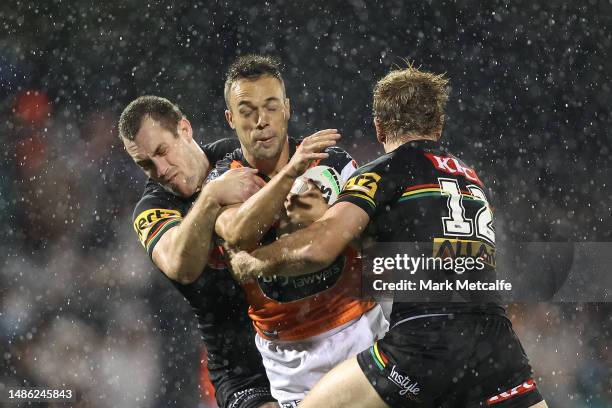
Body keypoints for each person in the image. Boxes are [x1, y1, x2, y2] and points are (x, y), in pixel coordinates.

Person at [230, 65, 548, 408]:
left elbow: (319, 248)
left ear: (379, 127)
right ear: (437, 126)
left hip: (425, 339)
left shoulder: (383, 170)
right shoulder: (470, 178)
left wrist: (253, 261)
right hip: (496, 343)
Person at [210, 55, 388, 407]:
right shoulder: (222, 178)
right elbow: (237, 235)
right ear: (231, 119)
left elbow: (378, 244)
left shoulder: (333, 162)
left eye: (271, 107)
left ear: (287, 109)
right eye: (247, 111)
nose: (262, 121)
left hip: (359, 332)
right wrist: (290, 174)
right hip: (289, 358)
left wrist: (329, 221)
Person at [118, 95, 278, 408]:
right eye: (146, 164)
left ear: (185, 129)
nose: (160, 170)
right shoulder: (151, 209)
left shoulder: (239, 154)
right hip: (242, 369)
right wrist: (210, 199)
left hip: (303, 331)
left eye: (162, 151)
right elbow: (181, 266)